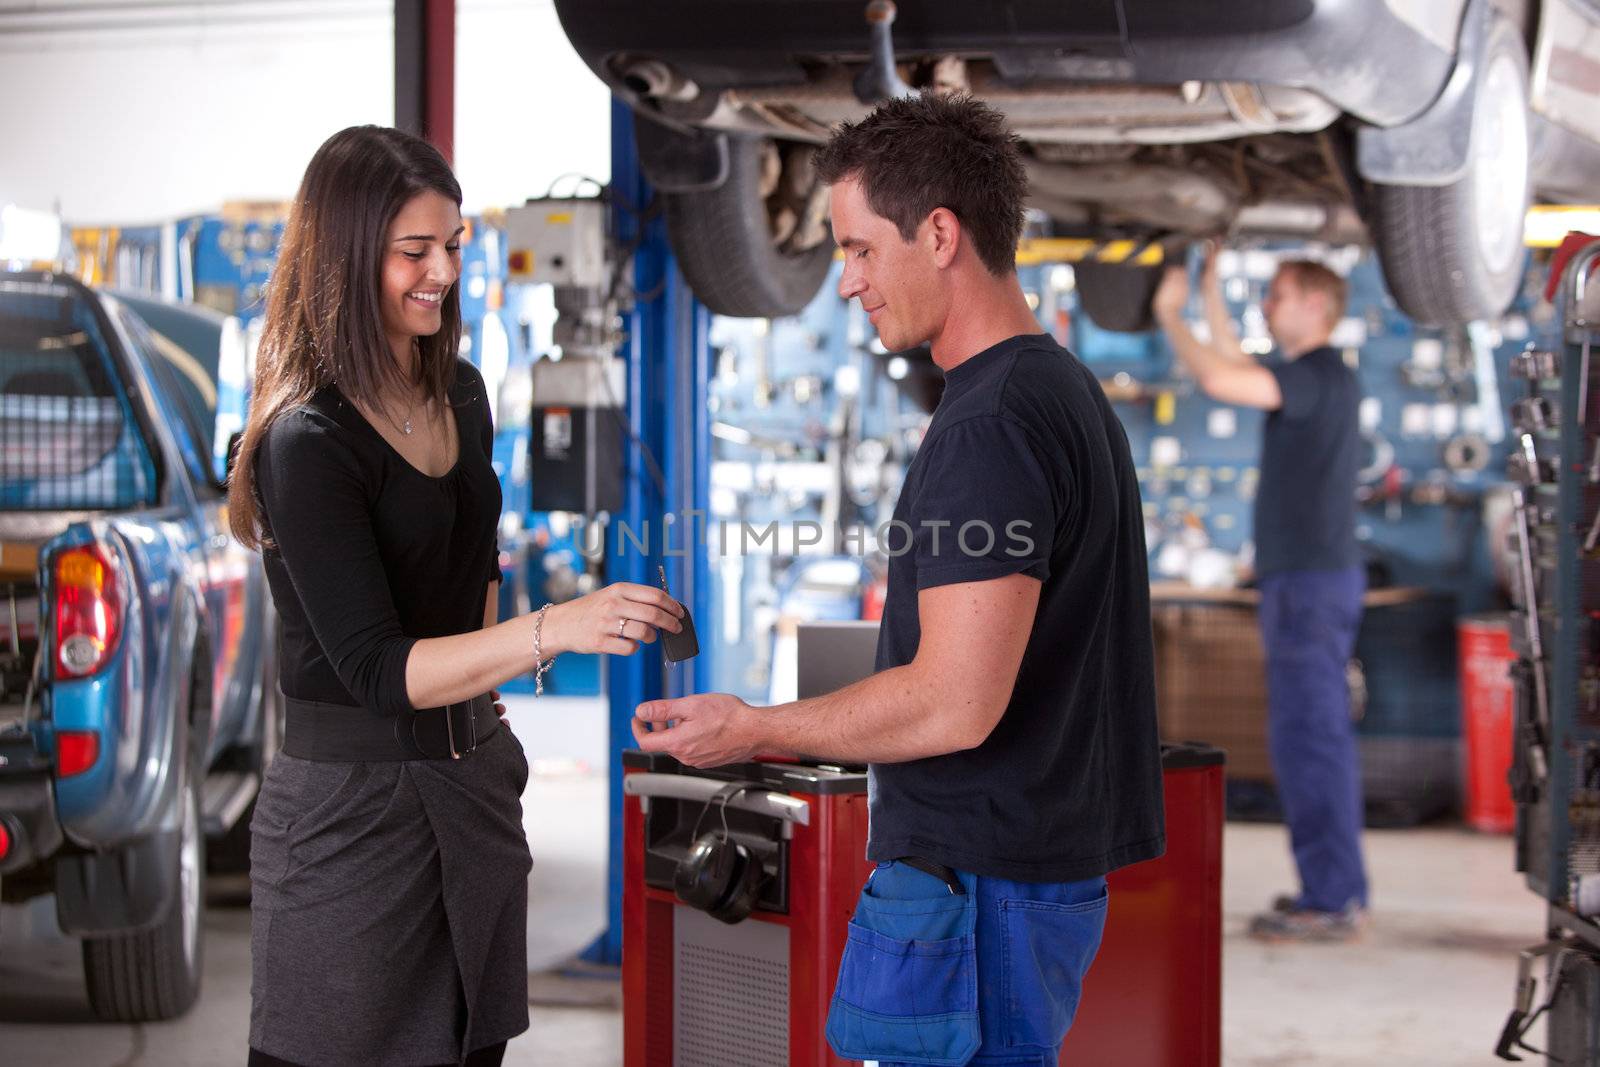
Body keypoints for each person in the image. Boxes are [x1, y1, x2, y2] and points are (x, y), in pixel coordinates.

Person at [633, 94, 1165, 1066]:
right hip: (1018, 870)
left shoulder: (991, 425)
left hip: (984, 885)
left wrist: (753, 725)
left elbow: (954, 702)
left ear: (939, 233)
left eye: (860, 249)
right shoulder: (1055, 389)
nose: (845, 281)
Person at [227, 125, 684, 1067]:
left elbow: (472, 568)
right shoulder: (308, 440)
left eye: (454, 244)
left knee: (471, 1048)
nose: (443, 270)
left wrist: (485, 709)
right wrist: (558, 627)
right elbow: (378, 670)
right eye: (414, 251)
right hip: (348, 820)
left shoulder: (462, 393)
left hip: (468, 789)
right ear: (350, 256)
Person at [1152, 250, 1368, 942]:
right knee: (1310, 736)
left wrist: (1167, 314)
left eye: (1277, 296)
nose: (1268, 306)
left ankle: (1332, 898)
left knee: (1310, 740)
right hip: (1301, 581)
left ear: (1316, 304)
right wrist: (1211, 292)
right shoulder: (1312, 377)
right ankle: (1333, 889)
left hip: (1308, 587)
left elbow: (1219, 375)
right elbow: (1237, 359)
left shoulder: (1317, 374)